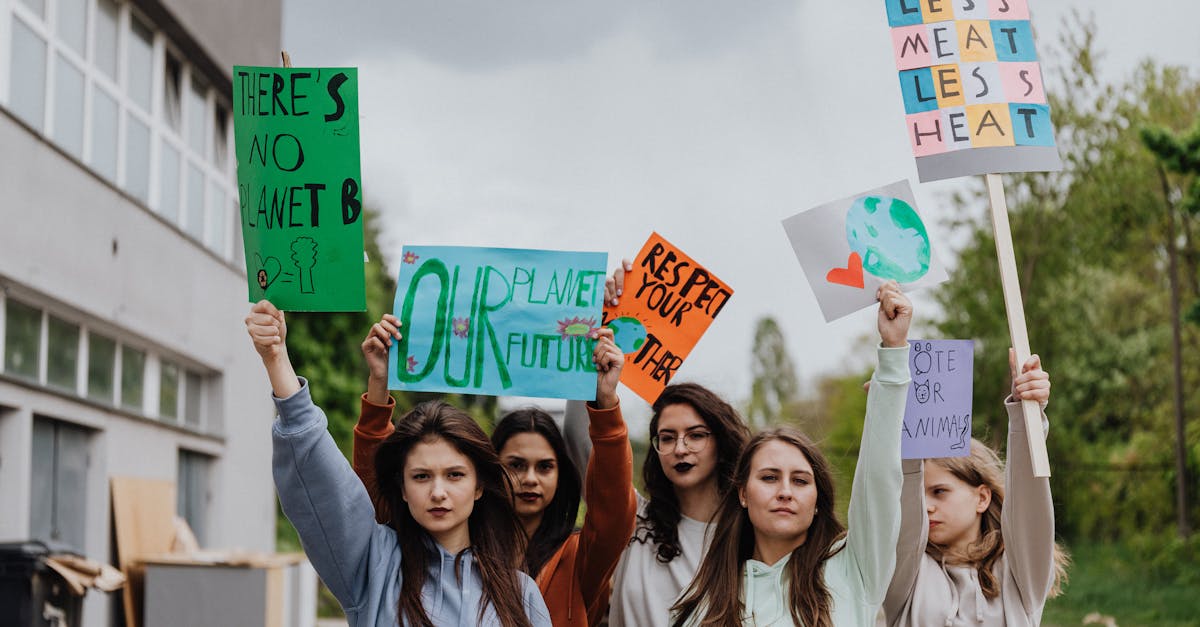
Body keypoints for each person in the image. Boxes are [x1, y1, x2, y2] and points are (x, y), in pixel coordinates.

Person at [244, 300, 551, 627]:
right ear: (402, 488)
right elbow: (323, 478)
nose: (438, 492)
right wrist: (276, 359)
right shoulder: (372, 563)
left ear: (478, 486)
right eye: (421, 476)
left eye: (454, 475)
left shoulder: (522, 594)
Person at [353, 315, 637, 626]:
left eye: (545, 467)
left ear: (562, 475)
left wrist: (606, 405)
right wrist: (378, 388)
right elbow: (378, 498)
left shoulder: (578, 558)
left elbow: (614, 513)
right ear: (486, 477)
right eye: (515, 465)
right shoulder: (448, 540)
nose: (529, 479)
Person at [671, 281, 913, 627]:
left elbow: (879, 480)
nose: (785, 490)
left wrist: (892, 352)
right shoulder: (700, 609)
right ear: (742, 492)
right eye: (769, 477)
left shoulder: (853, 570)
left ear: (817, 501)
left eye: (800, 481)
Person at [570, 259, 751, 627]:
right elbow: (579, 438)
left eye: (696, 435)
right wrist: (598, 321)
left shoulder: (753, 532)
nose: (680, 448)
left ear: (723, 442)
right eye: (666, 438)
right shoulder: (634, 522)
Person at [880, 351, 1068, 627]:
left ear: (981, 497)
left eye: (939, 491)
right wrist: (892, 416)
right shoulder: (905, 574)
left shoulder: (1019, 575)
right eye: (919, 495)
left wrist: (1026, 413)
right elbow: (903, 493)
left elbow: (1029, 502)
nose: (926, 505)